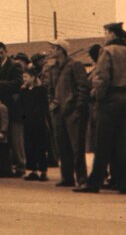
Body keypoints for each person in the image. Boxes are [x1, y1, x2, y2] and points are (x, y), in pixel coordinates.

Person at [75, 22, 126, 195]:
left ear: (112, 35)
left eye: (106, 33)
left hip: (111, 97)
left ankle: (94, 182)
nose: (105, 36)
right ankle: (124, 182)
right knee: (125, 142)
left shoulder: (108, 51)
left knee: (103, 141)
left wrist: (99, 96)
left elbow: (102, 76)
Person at [47, 39, 89, 187]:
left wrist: (78, 108)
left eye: (52, 48)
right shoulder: (53, 69)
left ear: (60, 49)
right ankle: (67, 177)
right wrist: (52, 103)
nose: (50, 51)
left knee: (76, 146)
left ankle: (82, 178)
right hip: (58, 112)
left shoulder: (74, 65)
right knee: (62, 146)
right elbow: (51, 89)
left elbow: (83, 87)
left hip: (72, 112)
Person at [0, 41, 22, 176]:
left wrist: (0, 84)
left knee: (12, 138)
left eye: (0, 53)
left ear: (6, 52)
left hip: (11, 106)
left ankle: (16, 167)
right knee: (1, 138)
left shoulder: (14, 65)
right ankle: (3, 167)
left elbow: (18, 83)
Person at [20, 67, 50, 181]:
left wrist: (38, 116)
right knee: (29, 146)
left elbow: (43, 106)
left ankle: (43, 170)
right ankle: (31, 170)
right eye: (23, 77)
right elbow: (21, 106)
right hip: (27, 122)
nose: (24, 79)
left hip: (38, 122)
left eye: (26, 77)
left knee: (40, 147)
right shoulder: (23, 91)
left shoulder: (41, 90)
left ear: (33, 78)